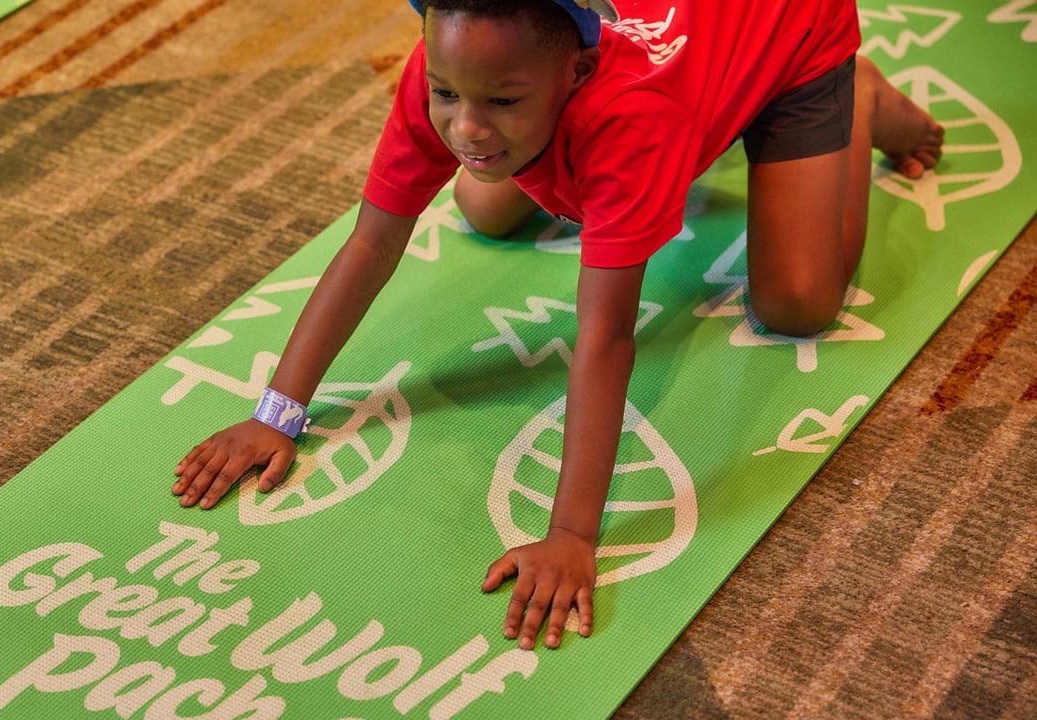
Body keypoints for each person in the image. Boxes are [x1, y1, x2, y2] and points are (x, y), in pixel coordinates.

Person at [172, 0, 944, 651]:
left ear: (575, 73)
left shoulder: (631, 117)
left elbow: (605, 336)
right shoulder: (453, 73)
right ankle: (674, 129)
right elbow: (374, 238)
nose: (467, 127)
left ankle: (862, 99)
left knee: (797, 305)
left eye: (501, 102)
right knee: (484, 200)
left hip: (787, 36)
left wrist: (572, 536)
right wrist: (278, 411)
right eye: (447, 93)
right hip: (666, 86)